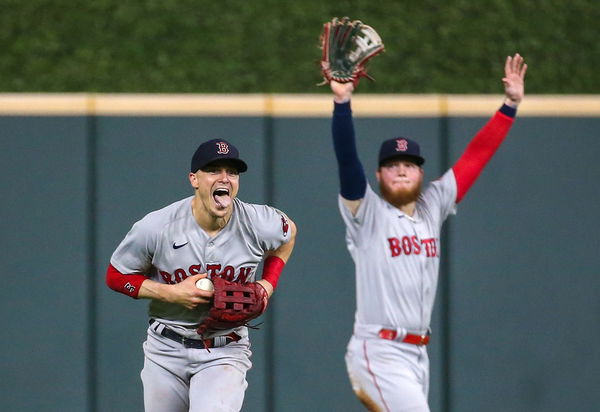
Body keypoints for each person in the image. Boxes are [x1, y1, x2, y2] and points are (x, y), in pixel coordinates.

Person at [329, 54, 527, 411]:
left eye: (409, 165)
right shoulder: (367, 213)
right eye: (392, 166)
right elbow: (347, 161)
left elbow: (475, 157)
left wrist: (509, 106)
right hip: (379, 350)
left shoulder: (433, 205)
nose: (402, 171)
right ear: (378, 176)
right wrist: (342, 103)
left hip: (418, 354)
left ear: (421, 174)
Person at [105, 138, 297, 412]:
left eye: (232, 172)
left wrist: (268, 285)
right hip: (165, 348)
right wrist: (171, 292)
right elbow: (115, 276)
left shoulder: (259, 222)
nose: (224, 178)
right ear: (194, 179)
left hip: (224, 350)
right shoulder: (158, 226)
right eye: (214, 170)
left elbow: (289, 234)